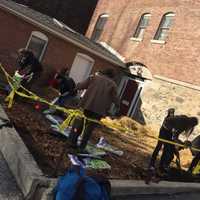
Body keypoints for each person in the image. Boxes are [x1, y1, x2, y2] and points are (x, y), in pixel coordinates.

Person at [69, 68, 120, 151]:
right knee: (88, 130)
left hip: (86, 106)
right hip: (99, 111)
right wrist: (118, 106)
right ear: (112, 76)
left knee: (79, 125)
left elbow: (81, 85)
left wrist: (74, 88)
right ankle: (81, 147)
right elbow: (116, 98)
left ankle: (71, 142)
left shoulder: (94, 77)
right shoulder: (113, 84)